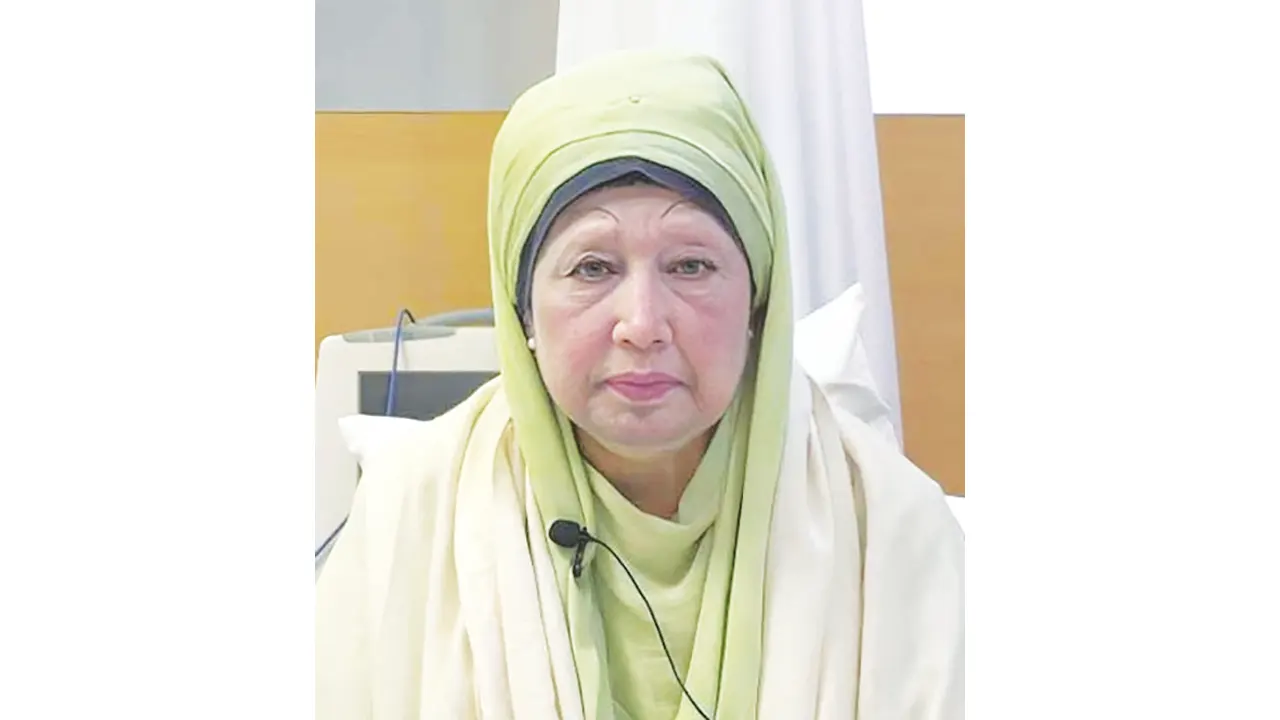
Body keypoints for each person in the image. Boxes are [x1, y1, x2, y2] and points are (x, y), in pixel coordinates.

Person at [316, 49, 964, 719]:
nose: (643, 324)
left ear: (758, 302)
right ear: (523, 310)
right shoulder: (413, 511)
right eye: (592, 268)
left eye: (690, 265)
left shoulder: (888, 527)